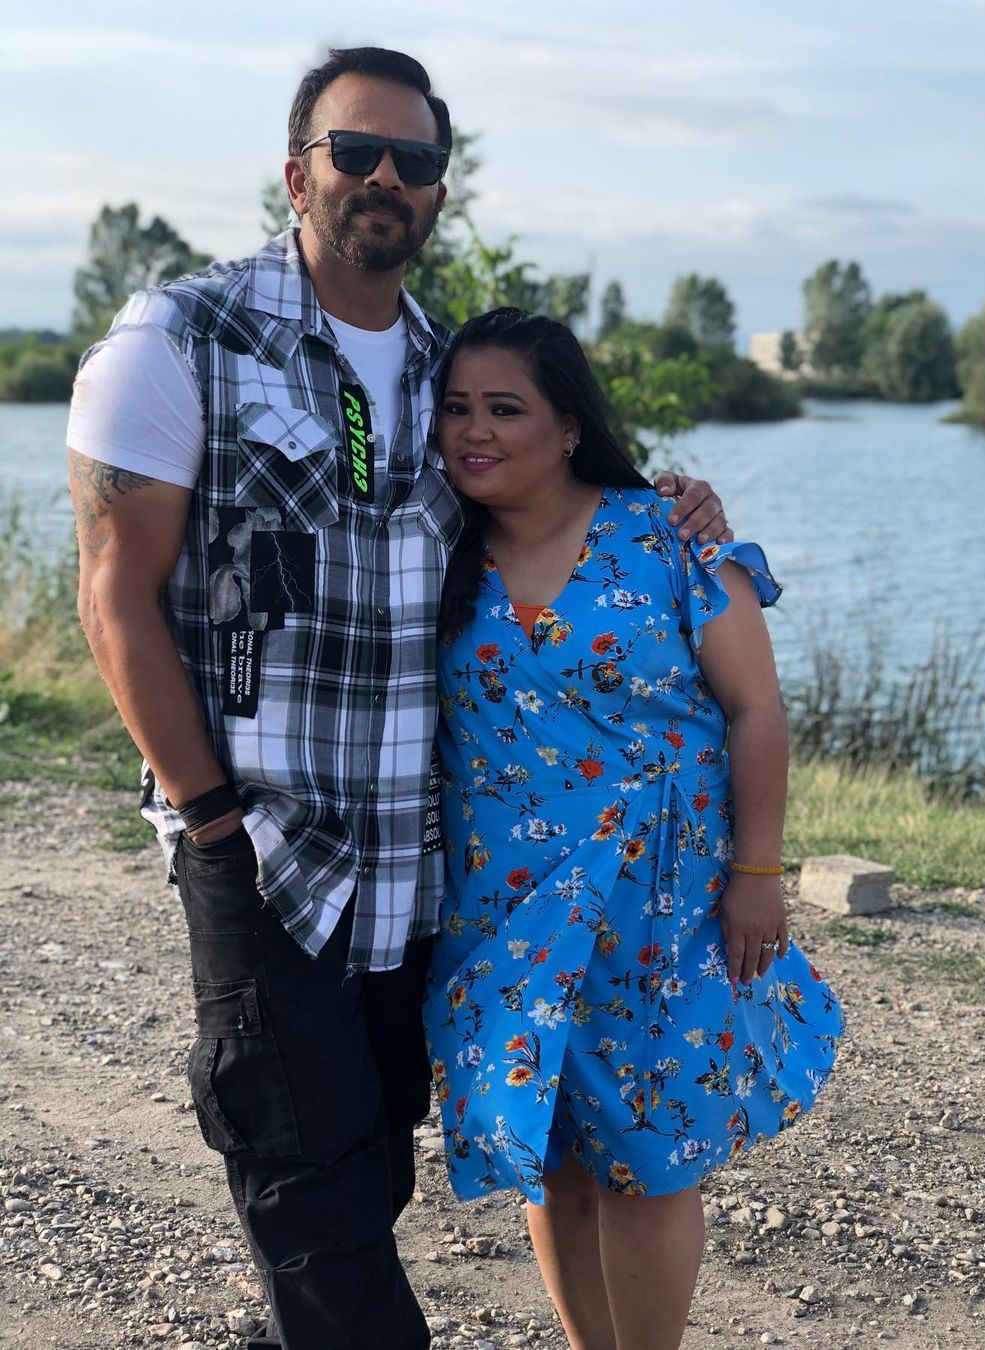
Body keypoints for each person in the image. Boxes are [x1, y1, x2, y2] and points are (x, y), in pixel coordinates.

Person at [65, 46, 730, 1350]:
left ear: (437, 187)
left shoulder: (446, 370)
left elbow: (552, 506)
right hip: (267, 848)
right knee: (312, 1193)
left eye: (414, 159)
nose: (384, 177)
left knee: (367, 1171)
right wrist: (211, 822)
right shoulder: (181, 338)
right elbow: (112, 598)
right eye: (354, 151)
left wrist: (671, 507)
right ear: (295, 173)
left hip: (420, 862)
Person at [425, 309, 844, 1350]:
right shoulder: (431, 548)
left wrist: (758, 871)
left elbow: (756, 709)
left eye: (505, 409)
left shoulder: (668, 537)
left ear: (568, 425)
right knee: (551, 1148)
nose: (474, 430)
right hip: (504, 910)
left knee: (647, 1159)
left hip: (659, 905)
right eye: (456, 408)